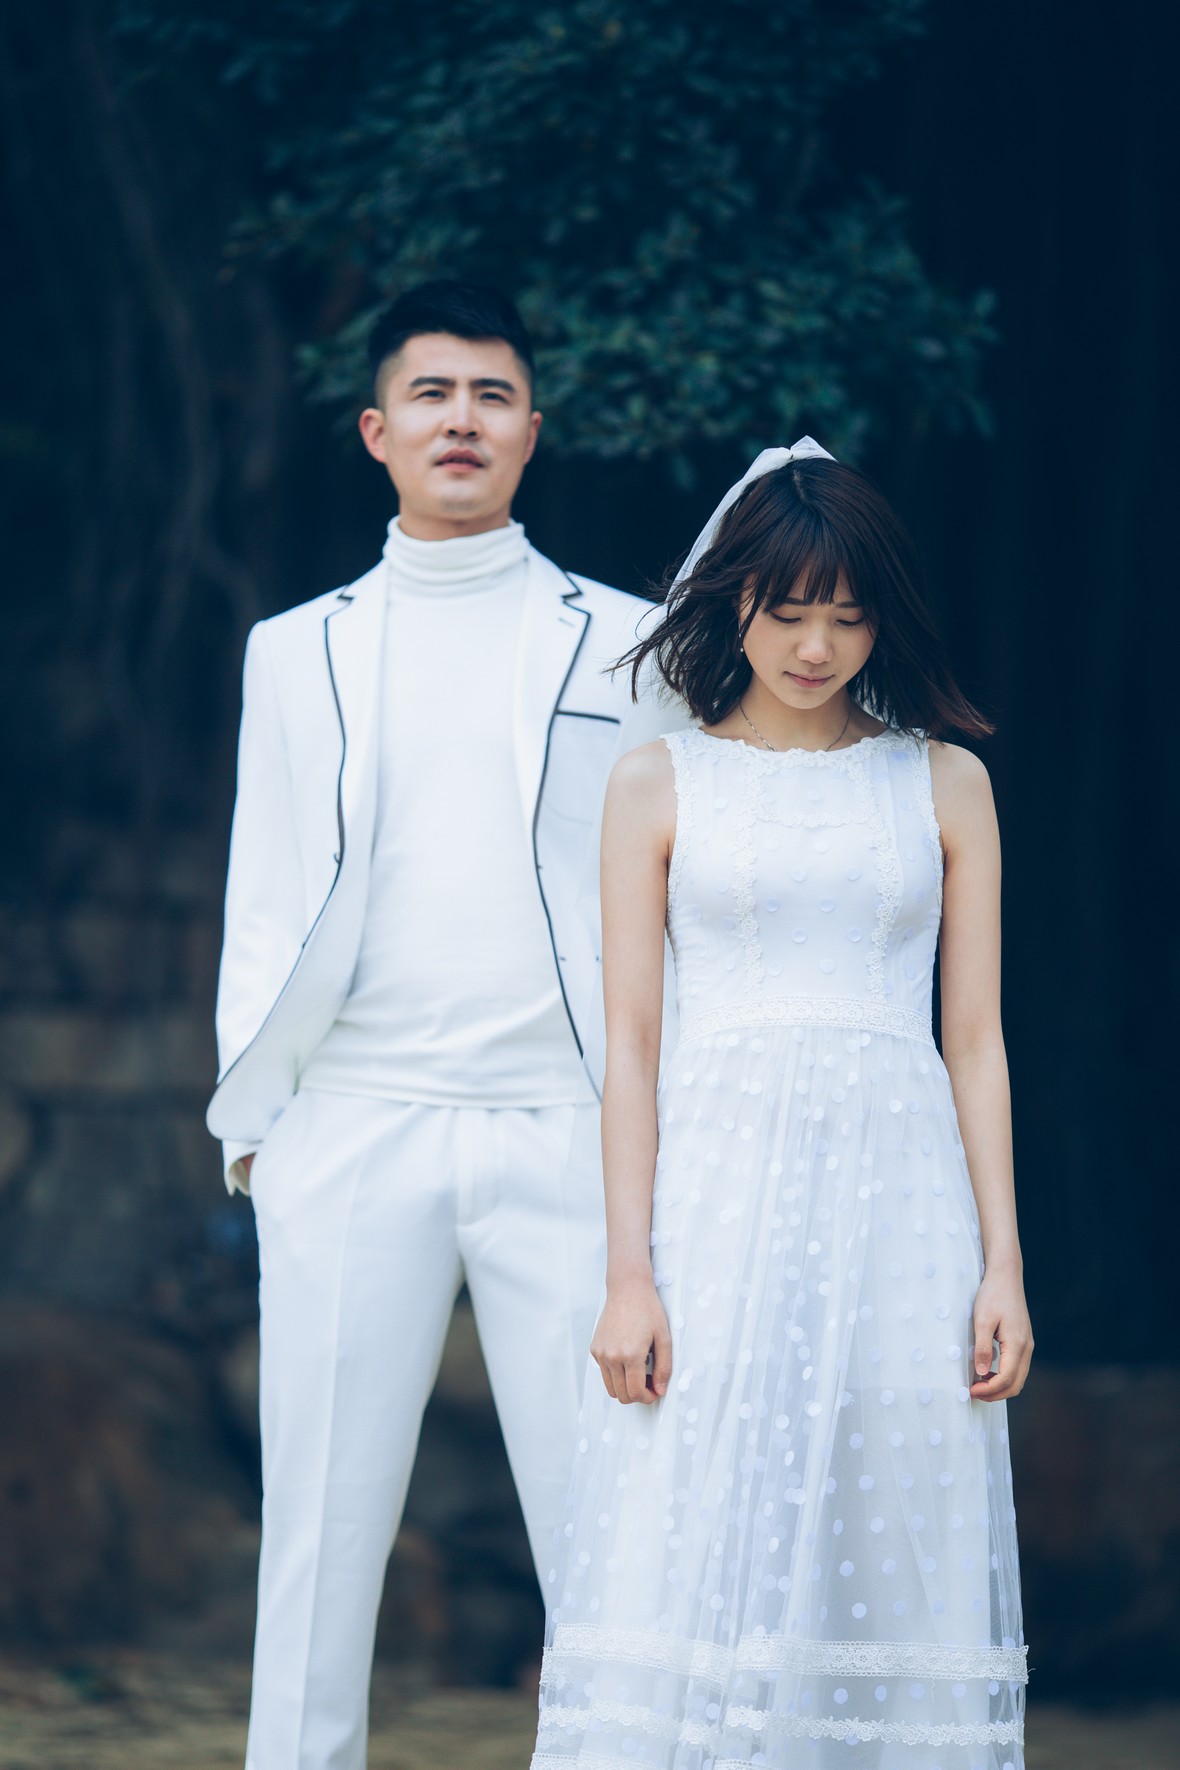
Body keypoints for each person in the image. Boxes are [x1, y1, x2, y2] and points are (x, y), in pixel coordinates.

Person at [206, 280, 665, 1770]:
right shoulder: (295, 648)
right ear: (376, 430)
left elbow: (674, 902)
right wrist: (259, 1136)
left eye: (490, 395)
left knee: (610, 1537)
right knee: (318, 1540)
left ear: (533, 429)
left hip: (569, 1131)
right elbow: (265, 889)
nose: (459, 419)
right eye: (430, 393)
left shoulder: (635, 643)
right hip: (353, 1124)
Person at [532, 441, 1033, 1769]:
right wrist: (628, 1272)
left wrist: (1003, 1265)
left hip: (904, 1210)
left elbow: (975, 1040)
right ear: (733, 601)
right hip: (717, 1201)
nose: (818, 646)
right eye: (790, 609)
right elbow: (632, 1043)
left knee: (887, 1509)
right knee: (704, 1514)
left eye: (849, 615)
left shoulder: (946, 781)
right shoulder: (658, 782)